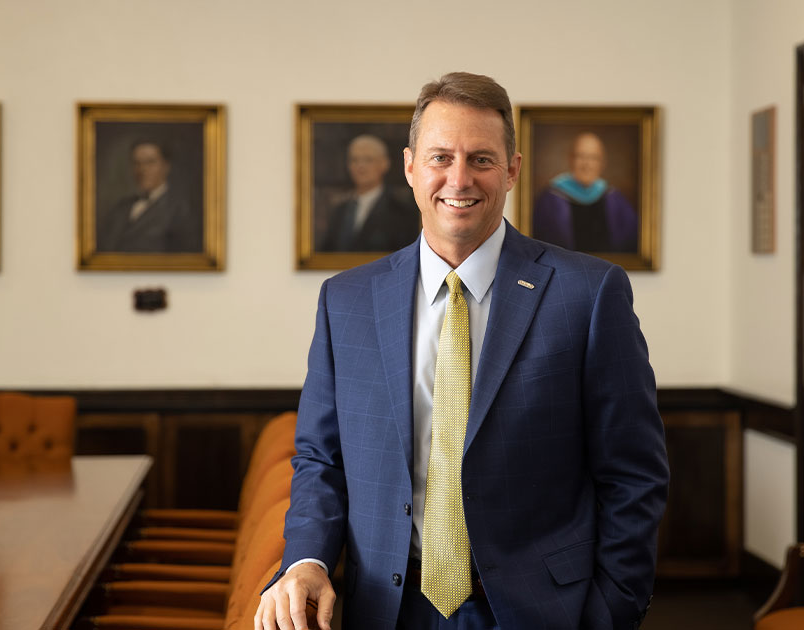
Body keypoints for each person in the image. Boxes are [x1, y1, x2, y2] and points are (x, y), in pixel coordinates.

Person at [257, 72, 668, 630]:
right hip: (384, 607)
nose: (459, 178)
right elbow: (320, 461)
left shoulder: (588, 294)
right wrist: (306, 560)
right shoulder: (346, 301)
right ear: (409, 167)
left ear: (513, 169)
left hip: (539, 612)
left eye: (481, 158)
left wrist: (611, 610)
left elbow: (633, 473)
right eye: (440, 157)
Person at [532, 132, 639, 253]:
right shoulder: (550, 199)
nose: (587, 164)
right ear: (571, 160)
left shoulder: (615, 199)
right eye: (581, 156)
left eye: (593, 158)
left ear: (602, 163)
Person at [96, 140, 202, 253]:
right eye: (137, 163)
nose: (142, 170)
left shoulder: (182, 208)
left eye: (150, 162)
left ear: (166, 166)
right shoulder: (121, 207)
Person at [318, 134, 418, 252]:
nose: (360, 166)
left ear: (384, 164)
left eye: (368, 160)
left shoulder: (401, 213)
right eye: (354, 160)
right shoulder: (339, 211)